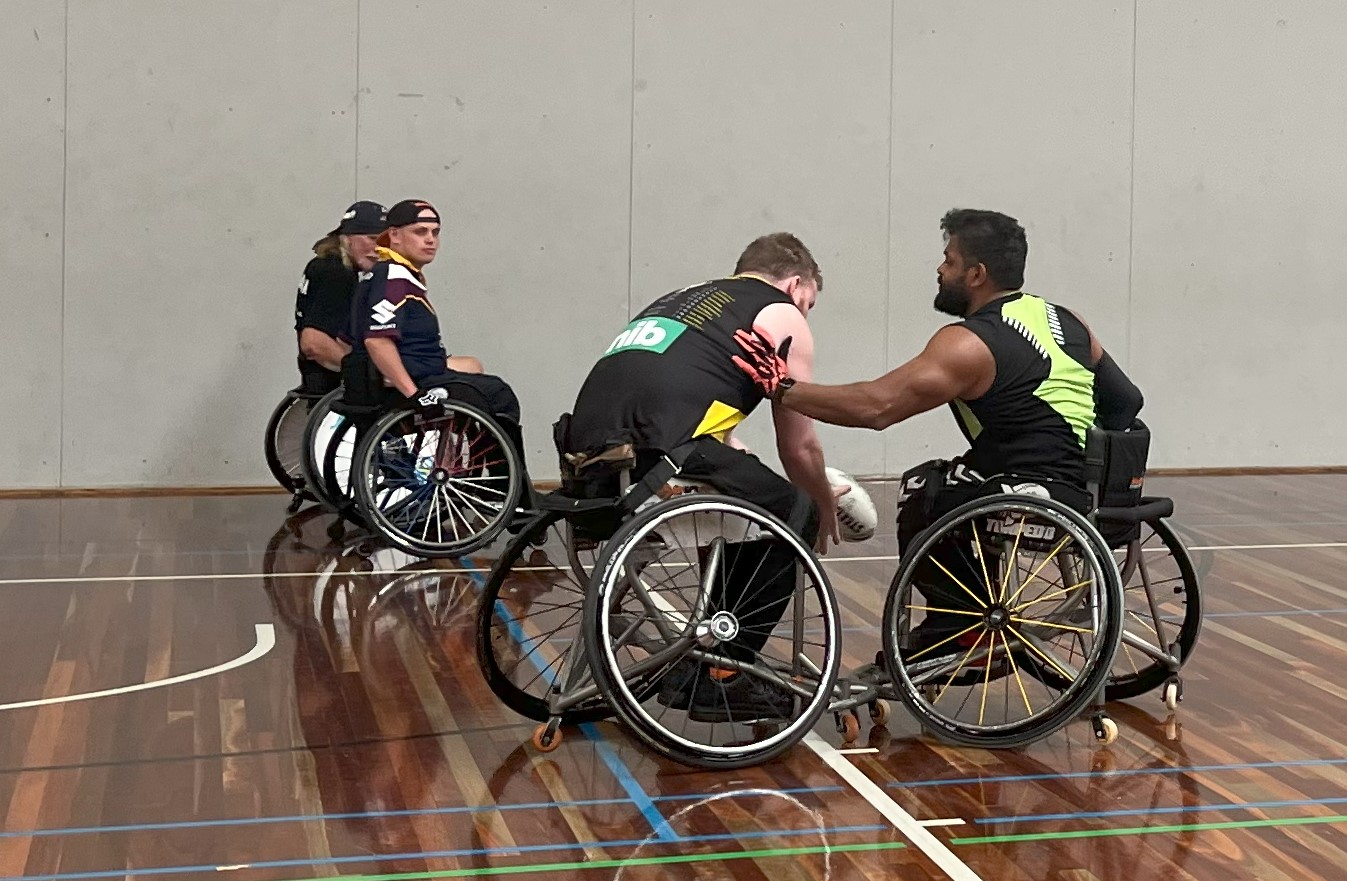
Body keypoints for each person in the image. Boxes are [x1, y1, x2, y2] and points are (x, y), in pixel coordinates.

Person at [733, 208, 1144, 668]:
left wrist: (781, 388)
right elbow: (1126, 400)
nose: (939, 269)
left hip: (1030, 494)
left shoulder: (969, 343)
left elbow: (877, 407)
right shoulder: (1067, 321)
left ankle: (964, 626)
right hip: (1088, 497)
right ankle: (973, 610)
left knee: (924, 489)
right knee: (966, 478)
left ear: (976, 274)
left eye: (948, 260)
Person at [564, 232, 840, 721]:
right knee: (791, 510)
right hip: (657, 460)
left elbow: (675, 388)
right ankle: (723, 673)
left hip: (587, 459)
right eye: (810, 302)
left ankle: (703, 657)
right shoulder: (781, 312)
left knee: (743, 484)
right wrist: (823, 505)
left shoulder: (685, 298)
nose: (806, 313)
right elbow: (798, 445)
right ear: (796, 284)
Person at [349, 198, 536, 511]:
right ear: (394, 235)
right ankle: (509, 495)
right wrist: (414, 394)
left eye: (435, 232)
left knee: (476, 372)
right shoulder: (394, 279)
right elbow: (377, 341)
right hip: (417, 383)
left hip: (417, 372)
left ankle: (493, 485)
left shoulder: (386, 274)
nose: (430, 239)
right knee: (499, 396)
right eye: (420, 231)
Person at [294, 201, 387, 390]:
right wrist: (363, 376)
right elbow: (313, 343)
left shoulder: (323, 264)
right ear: (347, 238)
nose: (379, 249)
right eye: (372, 238)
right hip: (328, 385)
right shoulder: (336, 273)